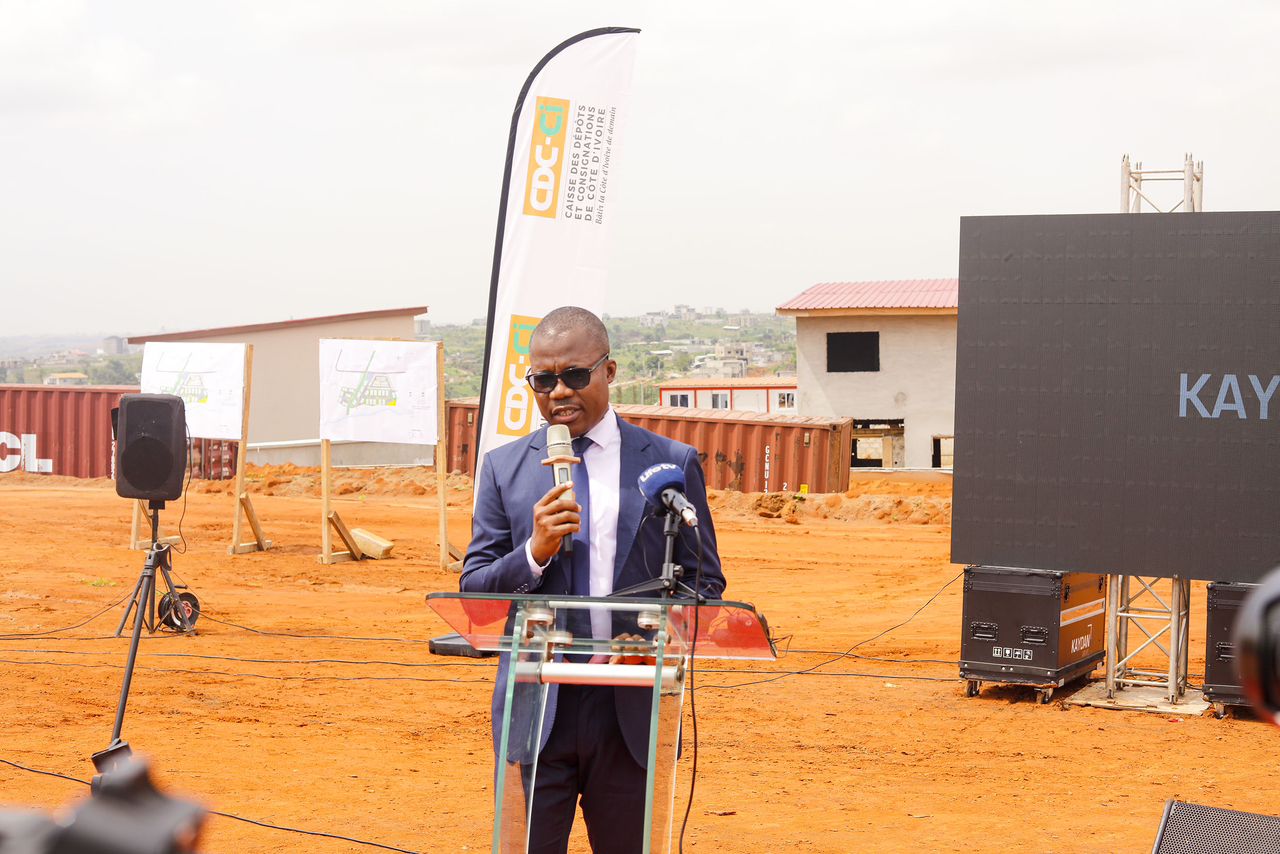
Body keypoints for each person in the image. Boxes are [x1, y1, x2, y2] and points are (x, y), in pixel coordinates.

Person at [461, 306, 725, 853]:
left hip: (630, 708)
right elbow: (475, 592)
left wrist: (655, 637)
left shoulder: (670, 464)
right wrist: (533, 552)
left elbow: (704, 583)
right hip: (538, 706)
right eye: (543, 380)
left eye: (575, 375)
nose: (559, 392)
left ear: (609, 370)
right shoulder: (504, 468)